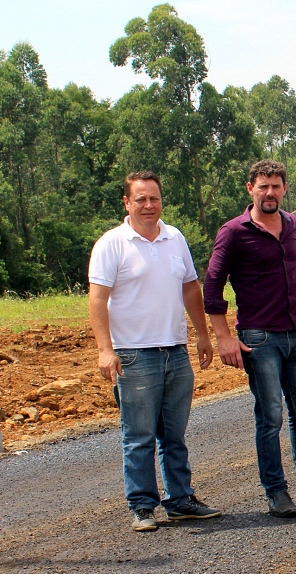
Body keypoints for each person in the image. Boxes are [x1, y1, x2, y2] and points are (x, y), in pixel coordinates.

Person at [204, 160, 296, 517]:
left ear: (284, 189)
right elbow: (212, 285)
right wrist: (224, 337)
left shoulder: (291, 224)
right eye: (263, 186)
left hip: (294, 337)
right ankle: (276, 492)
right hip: (259, 337)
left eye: (275, 186)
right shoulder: (233, 232)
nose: (269, 193)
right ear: (250, 189)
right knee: (270, 415)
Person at [88, 171, 222, 532]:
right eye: (141, 199)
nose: (149, 206)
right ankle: (142, 506)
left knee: (174, 436)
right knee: (139, 436)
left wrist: (202, 335)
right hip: (134, 354)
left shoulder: (174, 237)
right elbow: (97, 299)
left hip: (174, 351)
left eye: (155, 199)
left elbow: (191, 288)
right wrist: (105, 350)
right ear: (127, 203)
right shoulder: (112, 244)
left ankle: (180, 500)